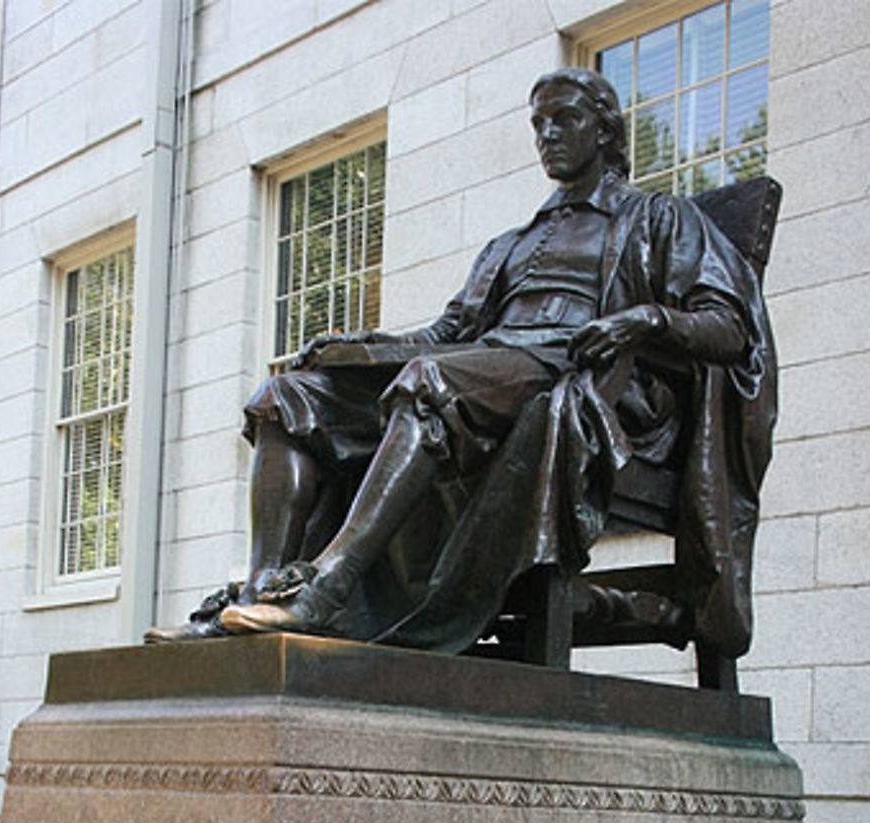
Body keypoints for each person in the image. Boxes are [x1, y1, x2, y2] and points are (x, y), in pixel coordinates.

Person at [149, 67, 775, 660]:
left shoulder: (660, 219)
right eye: (538, 124)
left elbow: (728, 329)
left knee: (432, 381)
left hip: (583, 378)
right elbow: (448, 332)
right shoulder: (512, 243)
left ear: (606, 131)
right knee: (288, 396)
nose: (547, 134)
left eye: (564, 119)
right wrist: (361, 345)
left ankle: (328, 585)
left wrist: (645, 320)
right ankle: (262, 596)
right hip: (486, 374)